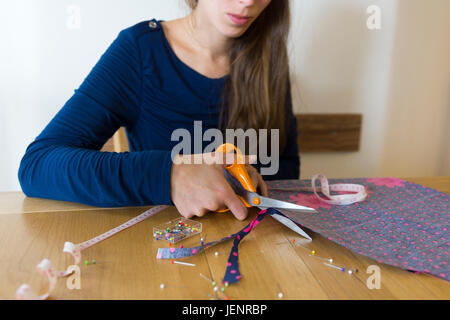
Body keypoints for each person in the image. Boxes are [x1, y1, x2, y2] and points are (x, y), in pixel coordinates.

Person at [18, 0, 300, 221]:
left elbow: (285, 170)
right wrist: (170, 175)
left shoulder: (269, 57)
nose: (247, 2)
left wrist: (247, 179)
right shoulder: (139, 52)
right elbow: (37, 166)